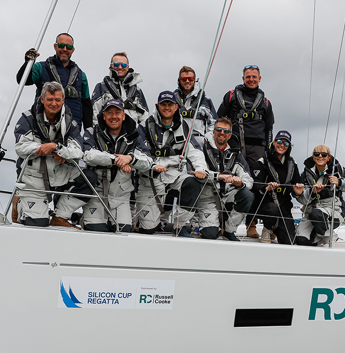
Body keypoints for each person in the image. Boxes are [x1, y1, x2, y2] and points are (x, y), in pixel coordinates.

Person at [13, 82, 90, 228]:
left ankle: (60, 216)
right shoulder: (28, 119)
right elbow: (21, 148)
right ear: (42, 99)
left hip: (60, 173)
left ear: (63, 100)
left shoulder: (70, 123)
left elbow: (78, 151)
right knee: (37, 224)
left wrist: (56, 148)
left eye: (57, 100)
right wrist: (44, 148)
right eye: (50, 99)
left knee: (90, 178)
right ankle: (19, 202)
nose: (54, 103)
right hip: (33, 179)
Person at [136, 91, 209, 236]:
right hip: (150, 179)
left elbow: (195, 151)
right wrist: (152, 166)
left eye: (170, 104)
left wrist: (200, 169)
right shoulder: (145, 125)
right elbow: (138, 151)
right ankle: (152, 219)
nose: (167, 107)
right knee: (147, 230)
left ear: (176, 107)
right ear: (157, 106)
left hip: (173, 176)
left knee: (193, 183)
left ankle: (179, 226)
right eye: (163, 104)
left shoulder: (184, 126)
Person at [217, 64, 275, 238]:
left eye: (254, 77)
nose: (251, 79)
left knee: (255, 185)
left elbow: (269, 128)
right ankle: (223, 223)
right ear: (243, 78)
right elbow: (220, 119)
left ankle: (252, 224)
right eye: (248, 77)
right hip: (234, 146)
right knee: (229, 182)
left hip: (257, 149)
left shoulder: (266, 103)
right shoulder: (231, 96)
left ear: (259, 79)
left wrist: (268, 151)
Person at [81, 99, 154, 232]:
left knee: (124, 231)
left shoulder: (134, 135)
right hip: (97, 193)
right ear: (104, 116)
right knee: (95, 230)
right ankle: (85, 219)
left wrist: (130, 159)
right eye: (109, 113)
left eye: (117, 112)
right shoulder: (92, 132)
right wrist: (117, 160)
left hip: (120, 196)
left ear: (123, 115)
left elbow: (148, 162)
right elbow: (87, 155)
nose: (113, 116)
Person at [176, 117, 254, 241]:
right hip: (207, 198)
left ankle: (229, 231)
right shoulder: (201, 149)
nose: (222, 133)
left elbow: (249, 180)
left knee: (247, 195)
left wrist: (240, 183)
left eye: (226, 131)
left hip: (227, 195)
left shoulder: (236, 154)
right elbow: (196, 173)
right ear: (213, 131)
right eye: (219, 129)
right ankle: (209, 226)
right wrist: (219, 176)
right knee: (210, 234)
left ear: (230, 135)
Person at [17, 33, 92, 129]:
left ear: (73, 50)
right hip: (44, 128)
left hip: (71, 130)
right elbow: (22, 80)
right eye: (61, 45)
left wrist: (89, 132)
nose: (65, 49)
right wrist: (28, 63)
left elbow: (86, 106)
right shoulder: (40, 67)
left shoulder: (81, 75)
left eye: (69, 47)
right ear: (55, 46)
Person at [295, 144, 345, 246]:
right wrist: (311, 192)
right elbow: (302, 200)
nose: (320, 156)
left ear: (329, 157)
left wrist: (340, 182)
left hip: (333, 210)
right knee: (301, 240)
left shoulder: (337, 170)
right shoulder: (305, 174)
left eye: (324, 154)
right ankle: (320, 237)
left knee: (317, 214)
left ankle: (329, 237)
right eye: (317, 154)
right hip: (311, 210)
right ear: (313, 157)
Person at [250, 130, 304, 245]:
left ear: (289, 146)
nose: (282, 145)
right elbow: (254, 185)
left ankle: (274, 229)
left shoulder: (292, 164)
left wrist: (297, 192)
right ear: (274, 142)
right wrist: (266, 188)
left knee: (289, 241)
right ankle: (267, 228)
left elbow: (296, 184)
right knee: (272, 208)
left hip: (284, 205)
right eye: (279, 141)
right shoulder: (262, 161)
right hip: (264, 203)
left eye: (286, 143)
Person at [91, 52, 150, 126]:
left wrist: (142, 132)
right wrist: (98, 131)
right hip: (108, 132)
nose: (120, 67)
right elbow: (94, 113)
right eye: (116, 64)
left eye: (124, 65)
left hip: (133, 132)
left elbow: (145, 116)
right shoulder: (101, 87)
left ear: (128, 67)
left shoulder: (137, 91)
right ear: (111, 65)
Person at [174, 66, 217, 146]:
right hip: (178, 142)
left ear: (195, 80)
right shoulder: (172, 100)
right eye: (184, 79)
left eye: (190, 79)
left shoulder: (205, 100)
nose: (187, 81)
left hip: (199, 143)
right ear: (179, 80)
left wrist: (207, 139)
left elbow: (214, 123)